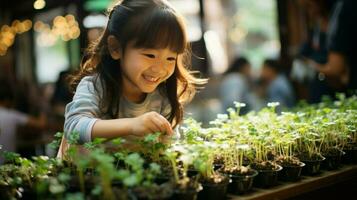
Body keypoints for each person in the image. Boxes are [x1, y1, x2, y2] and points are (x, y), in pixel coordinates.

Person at [58, 0, 206, 158]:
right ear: (115, 48)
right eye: (150, 55)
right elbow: (74, 128)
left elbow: (168, 146)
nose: (160, 68)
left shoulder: (163, 96)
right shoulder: (96, 86)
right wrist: (132, 125)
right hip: (87, 178)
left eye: (170, 58)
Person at [310, 0, 357, 93]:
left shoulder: (343, 6)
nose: (311, 13)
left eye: (309, 6)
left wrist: (311, 66)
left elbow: (336, 68)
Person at [0, 80, 46, 163]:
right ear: (7, 99)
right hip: (7, 164)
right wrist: (42, 105)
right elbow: (41, 124)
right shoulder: (12, 115)